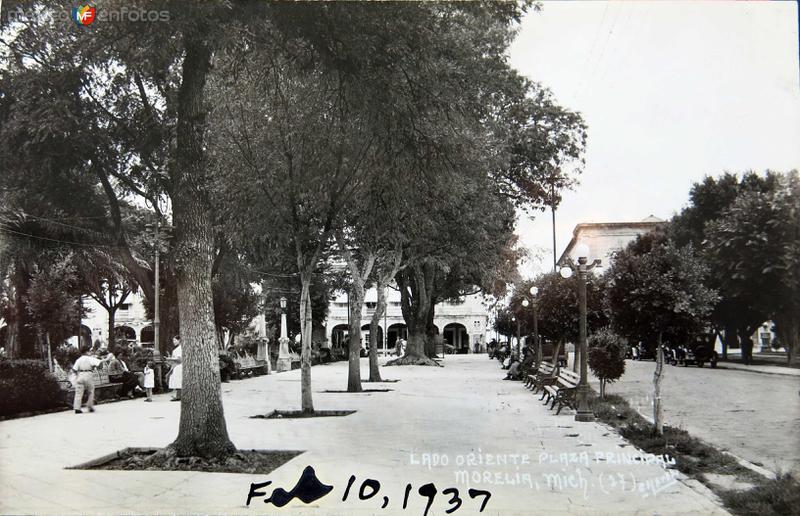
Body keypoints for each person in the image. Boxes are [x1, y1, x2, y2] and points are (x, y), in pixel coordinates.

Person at [70, 347, 113, 414]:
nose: (91, 352)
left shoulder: (78, 360)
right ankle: (90, 406)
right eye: (89, 351)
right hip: (88, 374)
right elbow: (99, 363)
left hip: (80, 374)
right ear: (86, 352)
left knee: (78, 392)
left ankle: (77, 408)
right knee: (90, 391)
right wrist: (107, 358)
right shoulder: (90, 359)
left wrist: (75, 377)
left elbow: (74, 369)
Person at [167, 336, 182, 401]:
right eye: (173, 340)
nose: (174, 342)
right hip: (175, 366)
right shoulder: (176, 349)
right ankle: (178, 395)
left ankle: (179, 396)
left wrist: (171, 359)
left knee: (178, 380)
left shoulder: (181, 349)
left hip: (179, 366)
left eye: (175, 340)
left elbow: (180, 359)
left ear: (179, 340)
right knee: (176, 380)